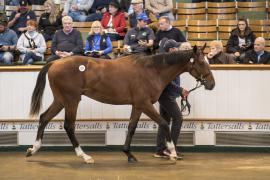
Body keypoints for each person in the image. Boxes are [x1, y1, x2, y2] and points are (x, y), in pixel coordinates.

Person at [154, 38, 189, 159]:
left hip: (164, 95)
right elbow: (168, 82)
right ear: (172, 49)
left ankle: (160, 150)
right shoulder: (168, 63)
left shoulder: (168, 61)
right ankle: (170, 148)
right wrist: (180, 90)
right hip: (166, 95)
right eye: (176, 47)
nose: (178, 49)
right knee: (178, 118)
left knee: (164, 122)